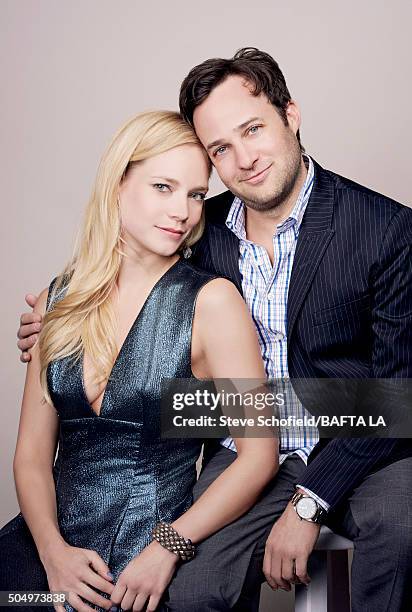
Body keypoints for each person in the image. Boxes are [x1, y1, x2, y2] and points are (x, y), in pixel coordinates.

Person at [16, 48, 412, 611]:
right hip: (243, 450)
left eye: (253, 129)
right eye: (220, 149)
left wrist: (309, 503)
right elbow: (130, 277)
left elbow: (397, 395)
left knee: (399, 532)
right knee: (192, 589)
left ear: (290, 116)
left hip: (356, 443)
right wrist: (50, 325)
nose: (244, 158)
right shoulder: (198, 225)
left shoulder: (385, 229)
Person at [2, 109, 279, 612]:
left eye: (196, 194)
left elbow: (258, 456)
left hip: (145, 558)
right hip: (48, 547)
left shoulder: (212, 303)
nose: (184, 211)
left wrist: (167, 548)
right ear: (117, 185)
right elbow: (31, 456)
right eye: (163, 187)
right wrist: (52, 554)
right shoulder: (57, 301)